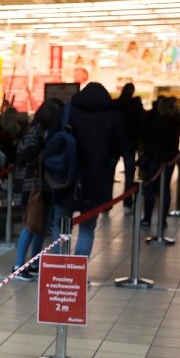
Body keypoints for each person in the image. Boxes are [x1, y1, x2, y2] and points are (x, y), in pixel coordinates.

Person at [51, 82, 125, 257]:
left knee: (60, 225)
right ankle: (77, 273)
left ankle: (60, 271)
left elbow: (53, 139)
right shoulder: (112, 115)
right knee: (87, 228)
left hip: (66, 177)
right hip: (96, 180)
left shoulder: (68, 111)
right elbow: (120, 146)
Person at [11, 98, 63, 281]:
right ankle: (19, 265)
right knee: (32, 224)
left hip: (43, 185)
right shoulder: (35, 131)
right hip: (32, 186)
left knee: (41, 226)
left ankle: (33, 262)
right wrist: (46, 153)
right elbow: (28, 155)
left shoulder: (45, 131)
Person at [140, 96, 180, 229]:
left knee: (150, 189)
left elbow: (146, 138)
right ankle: (162, 219)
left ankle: (147, 218)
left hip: (155, 158)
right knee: (165, 188)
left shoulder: (155, 120)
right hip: (170, 158)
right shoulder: (176, 121)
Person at [115, 83, 145, 214]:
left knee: (109, 172)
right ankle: (127, 203)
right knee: (129, 174)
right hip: (130, 142)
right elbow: (141, 123)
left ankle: (105, 203)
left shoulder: (115, 104)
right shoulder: (135, 105)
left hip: (115, 143)